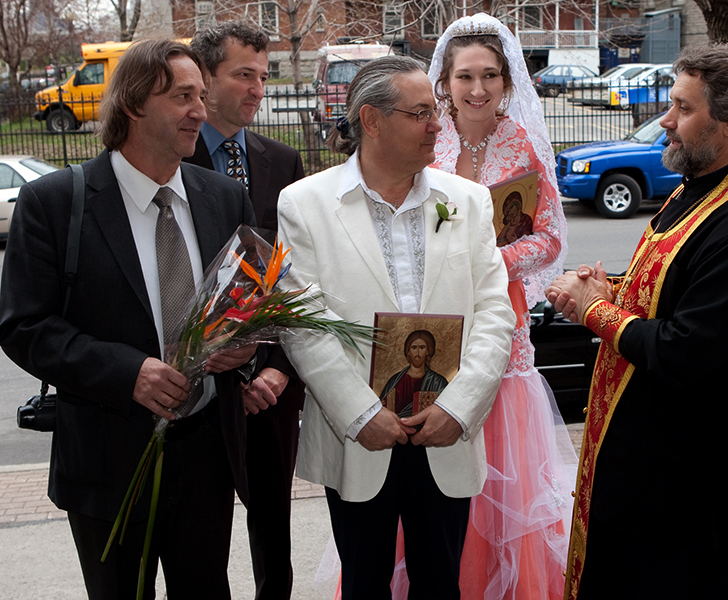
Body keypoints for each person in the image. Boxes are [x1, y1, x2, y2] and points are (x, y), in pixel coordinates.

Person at [0, 40, 259, 599]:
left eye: (202, 95)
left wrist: (244, 349)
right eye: (184, 96)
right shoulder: (54, 202)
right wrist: (127, 372)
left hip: (207, 456)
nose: (201, 110)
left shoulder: (225, 198)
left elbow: (246, 305)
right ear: (135, 104)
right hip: (107, 459)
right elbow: (24, 327)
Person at [545, 43, 728, 600]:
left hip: (682, 493)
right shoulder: (693, 189)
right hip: (637, 473)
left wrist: (594, 310)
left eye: (682, 107)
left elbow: (685, 349)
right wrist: (614, 292)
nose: (665, 120)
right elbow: (668, 299)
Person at [276, 55, 516, 600]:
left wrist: (459, 406)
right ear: (371, 120)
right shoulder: (305, 204)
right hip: (360, 436)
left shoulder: (469, 202)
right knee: (364, 586)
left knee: (441, 585)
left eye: (438, 111)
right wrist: (362, 415)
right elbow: (303, 324)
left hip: (446, 431)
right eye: (422, 113)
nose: (439, 125)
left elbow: (495, 314)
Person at [401, 13, 575, 600]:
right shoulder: (426, 141)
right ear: (444, 81)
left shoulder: (521, 142)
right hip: (432, 314)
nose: (478, 90)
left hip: (503, 313)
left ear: (507, 81)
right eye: (466, 77)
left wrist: (488, 260)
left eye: (491, 76)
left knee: (501, 446)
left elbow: (548, 238)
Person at [186, 21, 306, 600]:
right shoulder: (171, 160)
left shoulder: (283, 163)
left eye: (264, 75)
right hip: (193, 385)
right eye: (243, 75)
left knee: (272, 531)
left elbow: (299, 276)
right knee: (195, 538)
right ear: (204, 79)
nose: (258, 88)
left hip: (271, 386)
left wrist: (278, 367)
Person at [379, 330, 450, 418]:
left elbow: (447, 410)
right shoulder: (394, 381)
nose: (417, 352)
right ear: (408, 351)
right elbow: (382, 409)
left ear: (428, 351)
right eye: (414, 347)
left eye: (422, 347)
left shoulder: (438, 382)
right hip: (396, 428)